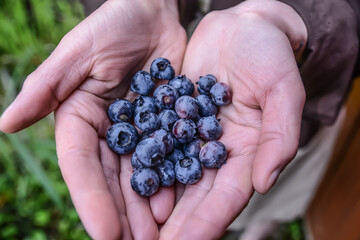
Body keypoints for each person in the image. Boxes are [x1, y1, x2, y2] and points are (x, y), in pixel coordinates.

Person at [0, 0, 358, 239]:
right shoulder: (159, 115)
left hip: (292, 112)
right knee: (252, 182)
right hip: (238, 121)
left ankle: (262, 227)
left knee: (272, 184)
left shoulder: (187, 121)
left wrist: (291, 12)